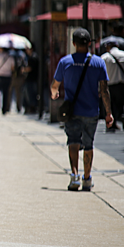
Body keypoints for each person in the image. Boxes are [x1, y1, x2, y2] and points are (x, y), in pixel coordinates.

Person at [50, 28, 113, 191]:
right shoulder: (98, 63)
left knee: (73, 142)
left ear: (73, 43)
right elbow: (104, 90)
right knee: (89, 144)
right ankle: (87, 178)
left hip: (72, 111)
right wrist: (108, 113)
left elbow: (54, 85)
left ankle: (74, 176)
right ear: (89, 44)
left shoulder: (66, 62)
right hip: (91, 112)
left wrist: (54, 93)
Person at [101, 40, 124, 132]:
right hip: (121, 86)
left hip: (109, 85)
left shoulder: (104, 57)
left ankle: (111, 124)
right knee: (121, 105)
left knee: (111, 105)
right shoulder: (123, 55)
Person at [0, 47, 15, 115]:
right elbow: (12, 68)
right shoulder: (11, 58)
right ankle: (4, 109)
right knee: (6, 93)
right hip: (8, 76)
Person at [8, 48, 27, 113]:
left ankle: (7, 107)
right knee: (19, 93)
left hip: (12, 76)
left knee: (9, 93)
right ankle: (19, 107)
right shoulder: (22, 55)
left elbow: (11, 67)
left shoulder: (10, 55)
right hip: (19, 76)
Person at [22, 44, 39, 114]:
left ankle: (32, 107)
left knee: (31, 94)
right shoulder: (29, 57)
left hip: (32, 79)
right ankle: (30, 107)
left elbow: (30, 68)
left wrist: (24, 70)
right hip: (30, 79)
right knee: (28, 93)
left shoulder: (33, 57)